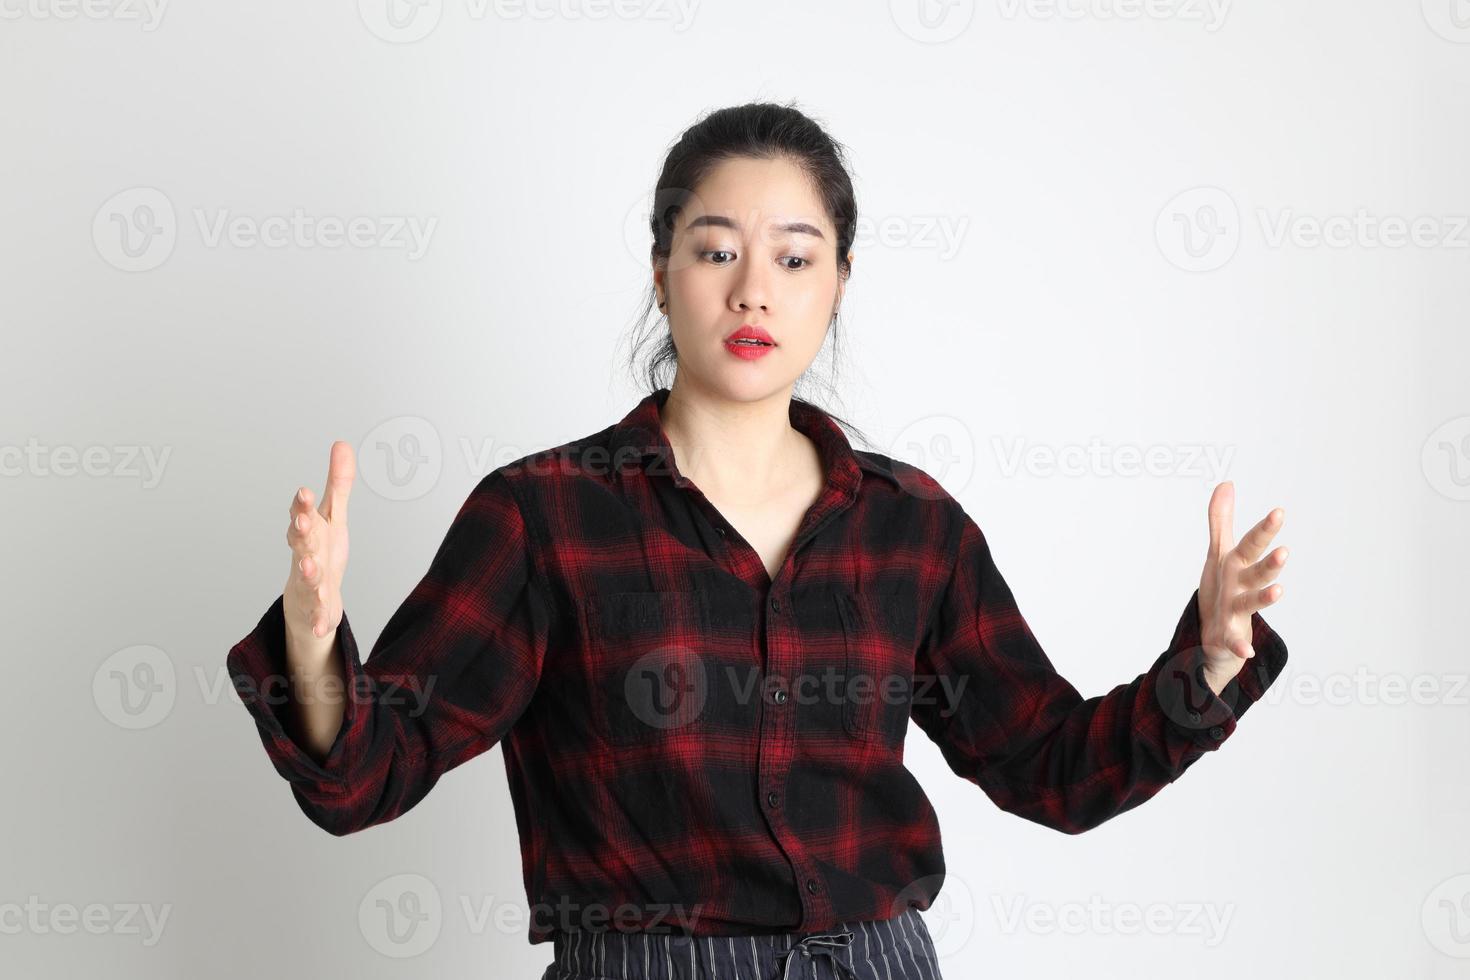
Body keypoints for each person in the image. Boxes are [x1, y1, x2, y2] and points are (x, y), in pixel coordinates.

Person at [226, 102, 1291, 980]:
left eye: (794, 255)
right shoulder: (543, 514)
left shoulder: (912, 527)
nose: (753, 288)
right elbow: (366, 772)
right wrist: (316, 644)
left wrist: (1210, 661)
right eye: (715, 249)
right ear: (660, 272)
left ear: (840, 282)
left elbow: (1053, 767)